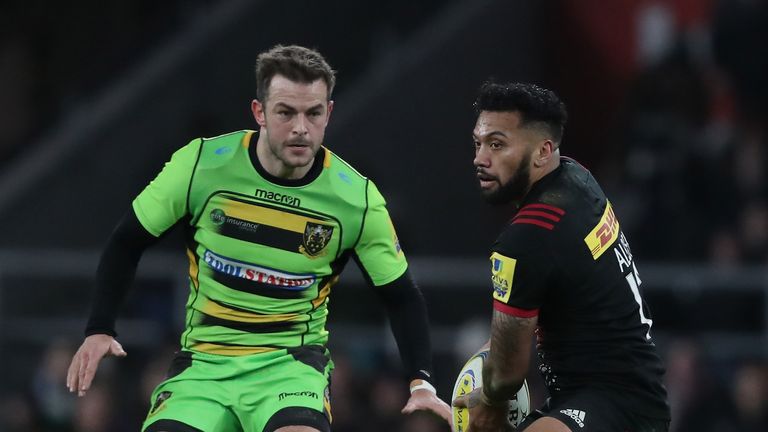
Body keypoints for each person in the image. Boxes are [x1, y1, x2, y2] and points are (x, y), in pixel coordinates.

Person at [66, 44, 450, 432]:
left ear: (328, 114)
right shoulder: (202, 164)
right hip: (205, 366)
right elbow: (126, 242)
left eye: (313, 113)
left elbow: (400, 295)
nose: (301, 127)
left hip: (290, 369)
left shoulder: (356, 200)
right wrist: (100, 327)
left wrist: (421, 380)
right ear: (259, 112)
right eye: (286, 112)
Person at [452, 82, 671, 431]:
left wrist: (490, 402)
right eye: (478, 144)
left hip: (612, 403)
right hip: (626, 394)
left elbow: (507, 372)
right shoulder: (576, 177)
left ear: (543, 151)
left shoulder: (529, 235)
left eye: (497, 144)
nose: (480, 158)